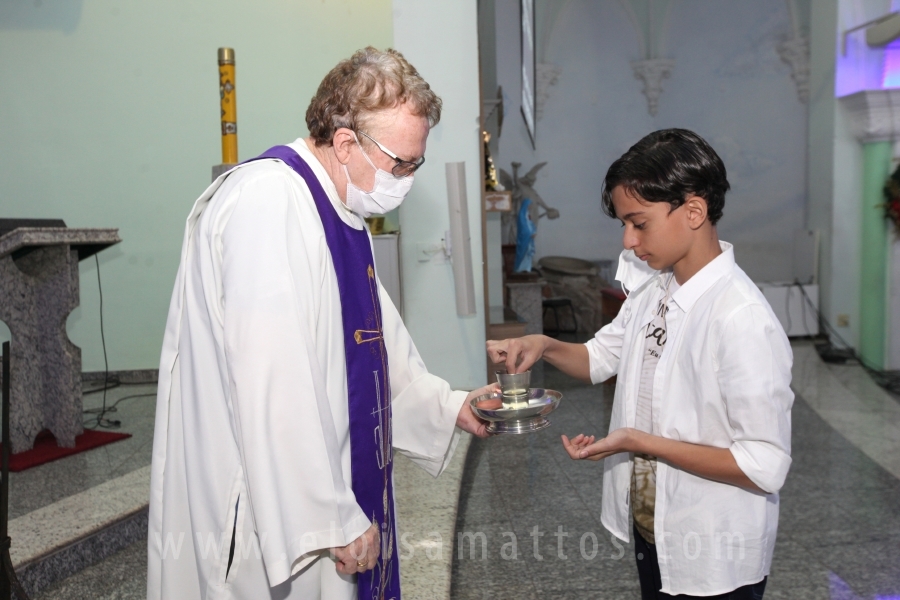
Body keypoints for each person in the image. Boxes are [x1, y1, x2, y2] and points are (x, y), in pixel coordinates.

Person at [147, 47, 492, 600]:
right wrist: (326, 512)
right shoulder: (266, 201)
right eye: (399, 163)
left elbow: (374, 352)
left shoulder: (337, 210)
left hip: (320, 483)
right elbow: (270, 380)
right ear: (345, 142)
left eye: (415, 165)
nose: (405, 180)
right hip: (266, 511)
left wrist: (451, 406)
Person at [487, 129, 793, 599]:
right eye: (624, 225)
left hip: (714, 547)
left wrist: (641, 441)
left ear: (694, 211)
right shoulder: (654, 290)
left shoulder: (741, 318)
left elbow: (763, 465)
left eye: (639, 223)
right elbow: (598, 358)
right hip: (654, 526)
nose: (628, 241)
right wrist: (544, 344)